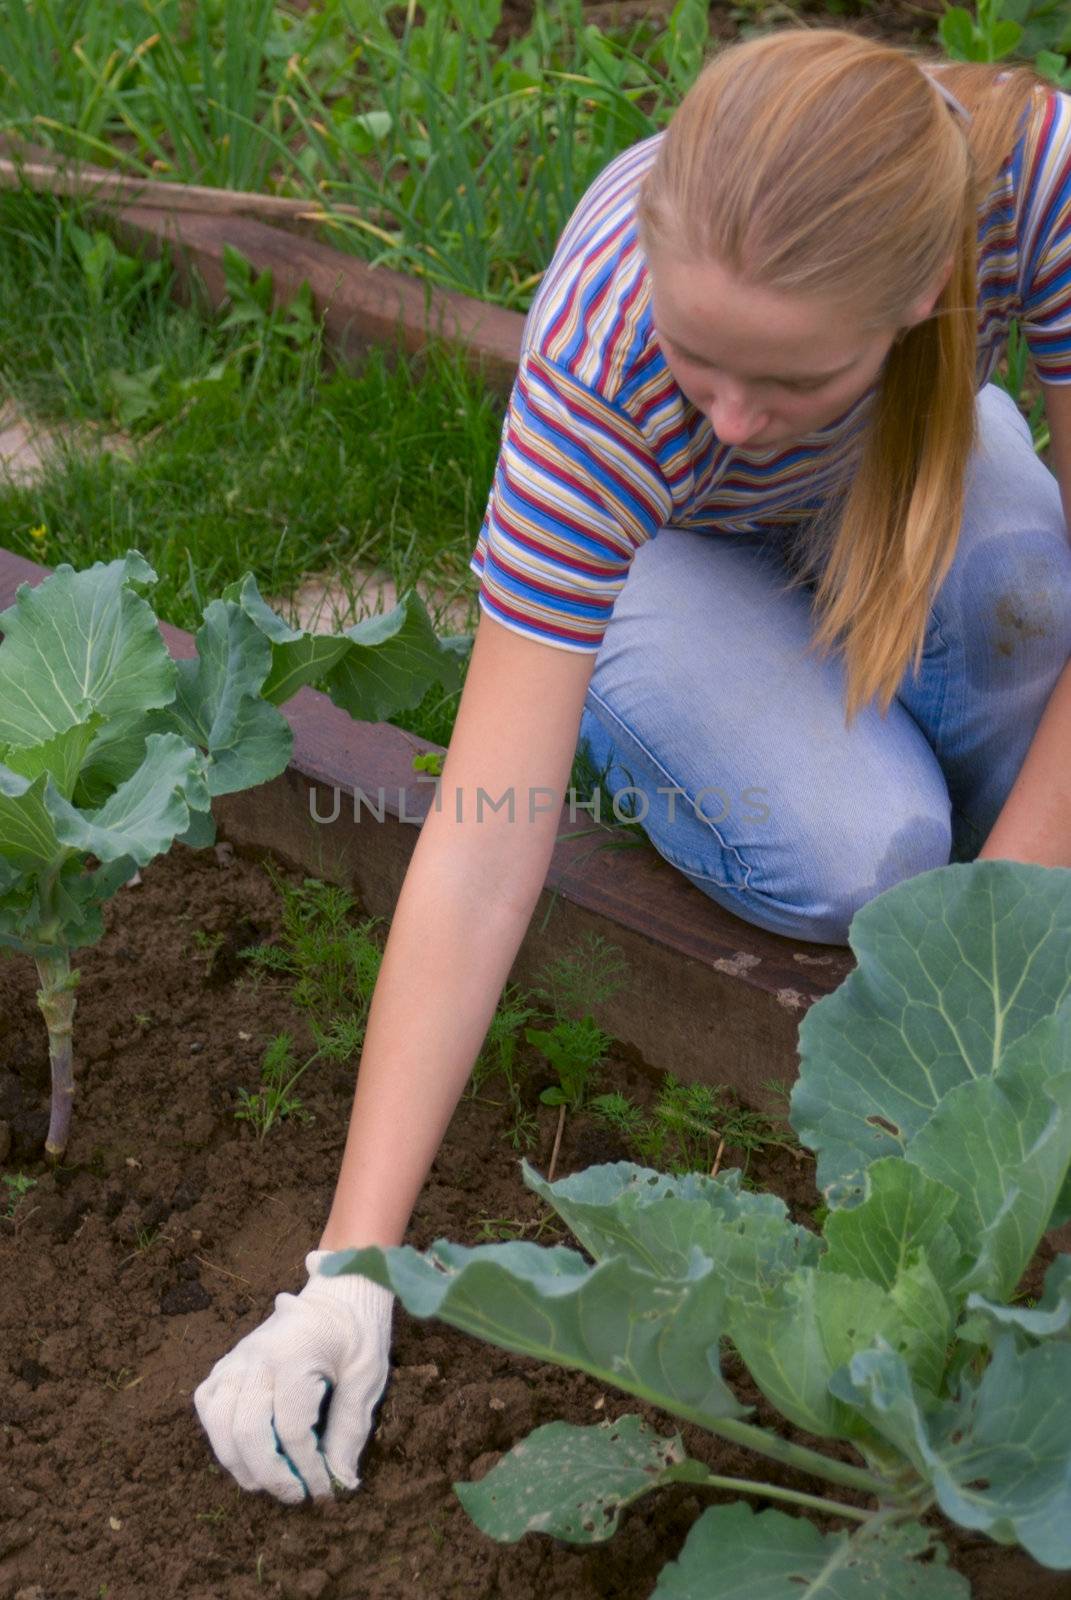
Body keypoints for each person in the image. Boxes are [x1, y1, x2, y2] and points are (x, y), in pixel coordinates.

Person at [193, 25, 1071, 1503]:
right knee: (873, 857)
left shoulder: (1034, 181)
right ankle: (681, 691)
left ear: (921, 296)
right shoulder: (607, 366)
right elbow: (481, 846)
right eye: (701, 361)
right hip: (667, 556)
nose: (726, 412)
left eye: (781, 376)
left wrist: (992, 987)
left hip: (912, 463)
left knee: (1027, 646)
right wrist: (351, 1268)